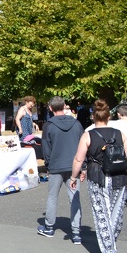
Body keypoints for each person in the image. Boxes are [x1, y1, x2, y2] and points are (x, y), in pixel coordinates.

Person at [70, 99, 127, 253]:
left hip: (98, 176)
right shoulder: (119, 134)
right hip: (119, 175)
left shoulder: (88, 135)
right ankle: (111, 243)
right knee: (116, 212)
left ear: (93, 117)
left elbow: (78, 159)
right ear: (108, 116)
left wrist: (74, 176)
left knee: (101, 212)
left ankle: (109, 251)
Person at [37, 96, 84, 243]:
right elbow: (83, 146)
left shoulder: (48, 125)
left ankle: (49, 227)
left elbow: (46, 148)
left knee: (52, 197)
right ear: (64, 106)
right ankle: (76, 232)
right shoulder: (76, 124)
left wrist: (49, 164)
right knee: (74, 198)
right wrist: (83, 166)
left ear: (50, 108)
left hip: (56, 165)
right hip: (73, 165)